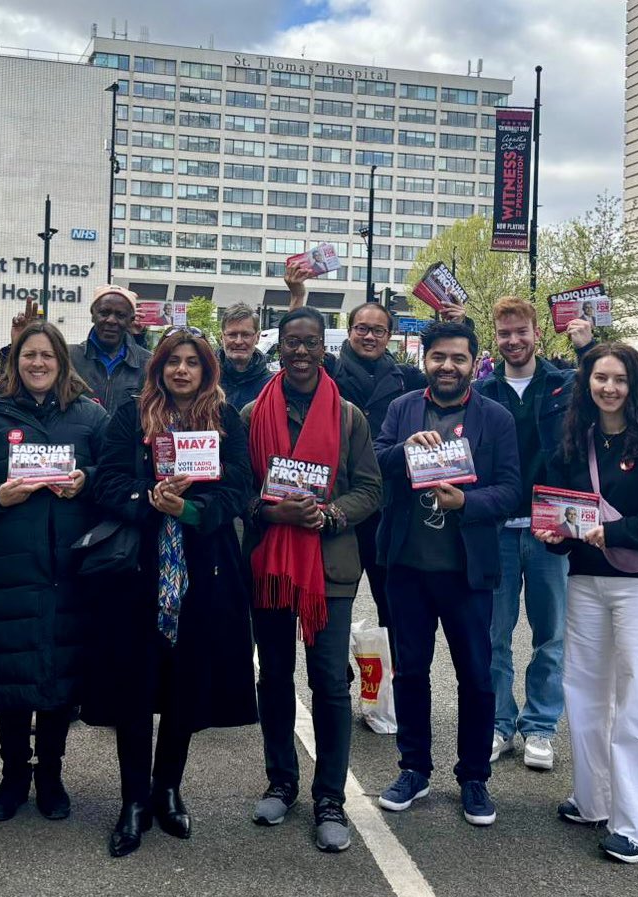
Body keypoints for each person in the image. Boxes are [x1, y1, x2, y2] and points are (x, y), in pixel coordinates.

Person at [83, 327, 256, 858]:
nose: (182, 370)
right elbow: (106, 481)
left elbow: (240, 489)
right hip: (138, 568)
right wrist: (148, 499)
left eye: (193, 362)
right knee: (135, 687)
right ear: (158, 367)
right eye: (173, 361)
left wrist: (193, 510)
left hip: (204, 570)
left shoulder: (224, 419)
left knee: (186, 684)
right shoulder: (131, 415)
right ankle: (133, 799)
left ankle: (168, 790)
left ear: (207, 370)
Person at [534, 343, 638, 864]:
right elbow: (551, 506)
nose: (609, 387)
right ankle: (594, 798)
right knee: (584, 693)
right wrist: (553, 534)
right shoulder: (575, 441)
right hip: (586, 581)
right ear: (586, 384)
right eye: (600, 378)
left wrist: (615, 531)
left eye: (620, 379)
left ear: (636, 385)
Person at [0, 321, 109, 823]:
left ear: (62, 362)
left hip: (70, 565)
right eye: (28, 355)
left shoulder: (90, 416)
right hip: (9, 563)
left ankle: (52, 774)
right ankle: (14, 772)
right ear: (14, 362)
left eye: (47, 356)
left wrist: (87, 480)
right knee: (11, 669)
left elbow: (115, 471)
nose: (38, 364)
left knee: (61, 672)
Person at [242, 307, 382, 853]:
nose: (300, 352)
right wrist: (268, 513)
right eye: (292, 343)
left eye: (311, 343)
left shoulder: (349, 417)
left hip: (329, 568)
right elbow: (238, 490)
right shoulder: (252, 412)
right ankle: (281, 781)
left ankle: (330, 799)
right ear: (280, 348)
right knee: (274, 675)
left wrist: (328, 516)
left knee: (329, 682)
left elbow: (370, 489)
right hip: (272, 566)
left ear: (325, 348)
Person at [373, 322, 520, 827]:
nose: (447, 366)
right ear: (425, 359)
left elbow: (511, 490)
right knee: (410, 672)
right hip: (407, 567)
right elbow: (375, 461)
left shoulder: (494, 418)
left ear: (474, 361)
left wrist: (468, 502)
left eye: (458, 358)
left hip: (465, 571)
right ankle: (413, 769)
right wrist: (405, 450)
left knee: (476, 678)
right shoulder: (403, 408)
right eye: (438, 357)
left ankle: (474, 777)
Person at [284, 264, 435, 661]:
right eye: (361, 328)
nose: (369, 336)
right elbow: (296, 347)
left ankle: (390, 686)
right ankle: (335, 670)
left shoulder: (407, 379)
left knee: (391, 602)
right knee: (331, 596)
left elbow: (451, 377)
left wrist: (457, 321)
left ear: (389, 335)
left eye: (378, 330)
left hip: (389, 504)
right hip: (338, 500)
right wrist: (298, 298)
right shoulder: (328, 370)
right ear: (348, 332)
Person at [475, 297, 577, 771]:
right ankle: (499, 723)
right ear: (494, 336)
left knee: (549, 635)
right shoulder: (482, 392)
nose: (513, 340)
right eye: (504, 332)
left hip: (550, 528)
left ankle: (539, 726)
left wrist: (589, 342)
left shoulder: (564, 386)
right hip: (495, 527)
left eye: (521, 331)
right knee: (493, 636)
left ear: (537, 332)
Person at [71, 285, 152, 412]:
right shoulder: (69, 357)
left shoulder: (149, 364)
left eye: (120, 315)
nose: (111, 320)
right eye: (104, 313)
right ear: (93, 315)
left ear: (131, 320)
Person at [218, 303, 273, 411]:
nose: (239, 341)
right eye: (232, 335)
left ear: (257, 337)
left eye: (246, 335)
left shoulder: (271, 385)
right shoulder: (206, 379)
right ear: (221, 338)